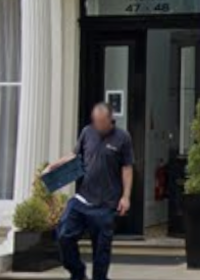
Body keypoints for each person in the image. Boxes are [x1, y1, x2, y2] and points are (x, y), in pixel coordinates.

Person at [47, 104, 134, 280]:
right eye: (96, 122)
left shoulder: (122, 137)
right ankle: (78, 272)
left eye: (101, 122)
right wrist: (53, 166)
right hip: (83, 198)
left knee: (101, 249)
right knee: (64, 235)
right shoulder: (87, 132)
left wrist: (126, 197)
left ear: (110, 119)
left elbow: (127, 168)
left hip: (106, 203)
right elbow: (74, 155)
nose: (98, 126)